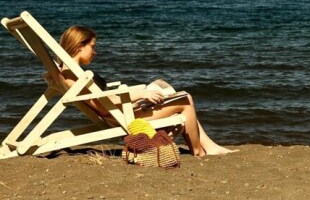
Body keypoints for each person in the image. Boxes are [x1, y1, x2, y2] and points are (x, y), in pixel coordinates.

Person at [55, 25, 235, 157]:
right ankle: (198, 151)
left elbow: (101, 100)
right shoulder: (74, 75)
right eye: (93, 47)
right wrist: (140, 96)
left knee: (163, 86)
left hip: (121, 111)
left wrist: (136, 99)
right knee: (186, 100)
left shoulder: (70, 72)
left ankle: (209, 146)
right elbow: (102, 104)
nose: (95, 52)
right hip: (123, 117)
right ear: (80, 46)